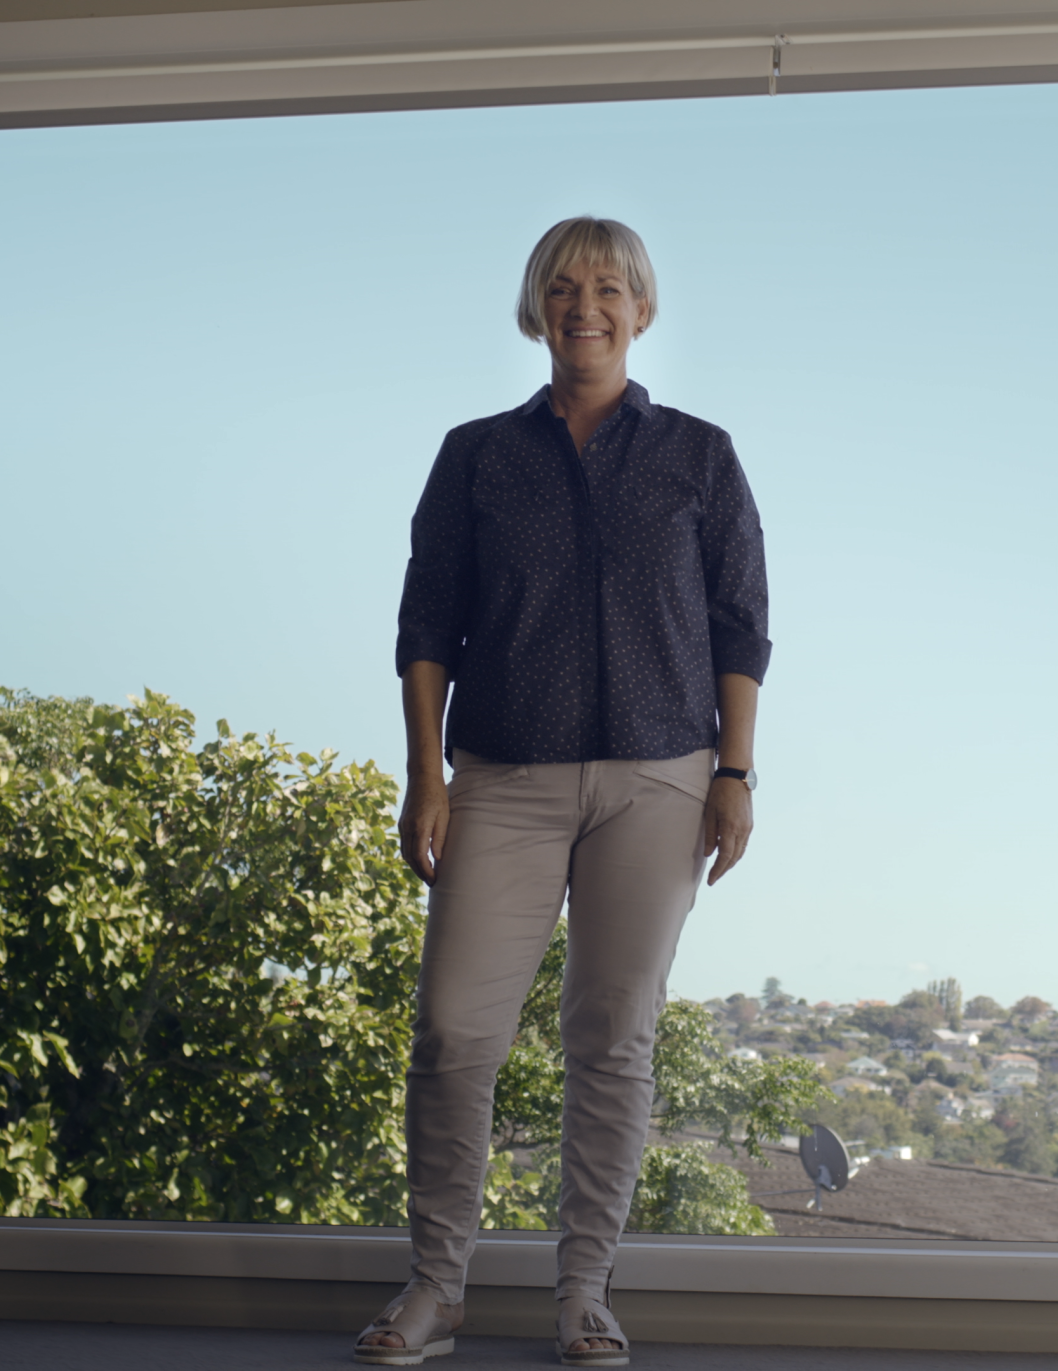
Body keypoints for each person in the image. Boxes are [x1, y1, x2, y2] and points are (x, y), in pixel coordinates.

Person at [355, 216, 770, 1368]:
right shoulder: (476, 455)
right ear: (535, 309)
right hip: (503, 776)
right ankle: (434, 1291)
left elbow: (740, 623)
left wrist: (732, 772)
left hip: (660, 777)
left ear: (641, 308)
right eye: (562, 286)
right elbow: (426, 621)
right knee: (451, 1036)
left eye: (607, 286)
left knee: (612, 1039)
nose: (584, 304)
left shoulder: (698, 454)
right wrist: (423, 773)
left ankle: (582, 1292)